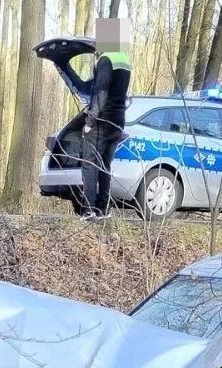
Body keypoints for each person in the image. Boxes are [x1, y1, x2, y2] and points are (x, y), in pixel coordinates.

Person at [81, 17, 132, 221]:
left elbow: (101, 94)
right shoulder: (124, 61)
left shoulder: (106, 60)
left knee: (89, 163)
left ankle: (88, 210)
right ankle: (103, 209)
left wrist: (89, 122)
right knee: (105, 165)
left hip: (102, 121)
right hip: (118, 120)